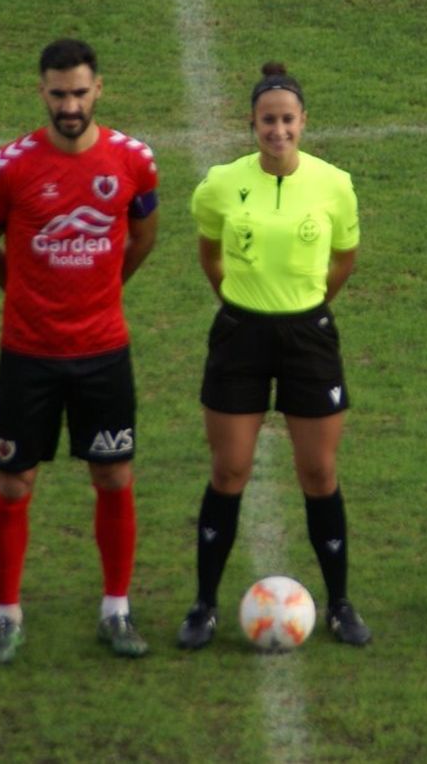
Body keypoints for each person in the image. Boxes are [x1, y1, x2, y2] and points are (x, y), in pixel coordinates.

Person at [0, 38, 160, 662]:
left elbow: (142, 235)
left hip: (104, 350)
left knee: (113, 473)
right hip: (28, 353)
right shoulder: (9, 166)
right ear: (41, 92)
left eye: (80, 92)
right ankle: (6, 616)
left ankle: (116, 610)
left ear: (98, 88)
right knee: (13, 485)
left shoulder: (133, 160)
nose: (70, 105)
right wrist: (23, 294)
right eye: (58, 94)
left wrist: (103, 289)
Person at [176, 62, 371, 650]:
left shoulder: (333, 183)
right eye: (268, 120)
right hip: (241, 335)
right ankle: (203, 606)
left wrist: (304, 306)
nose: (278, 130)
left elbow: (343, 259)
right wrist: (242, 304)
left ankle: (339, 603)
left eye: (287, 120)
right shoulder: (219, 184)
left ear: (303, 122)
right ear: (252, 124)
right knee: (229, 470)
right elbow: (210, 252)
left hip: (308, 337)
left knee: (318, 473)